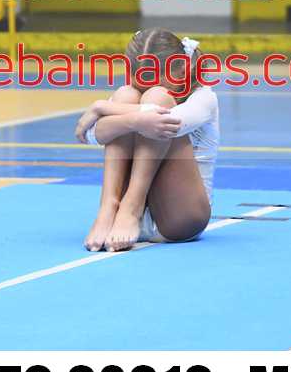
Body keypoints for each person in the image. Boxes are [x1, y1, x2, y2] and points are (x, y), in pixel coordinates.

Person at [75, 28, 219, 251]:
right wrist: (130, 119)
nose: (145, 88)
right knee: (125, 94)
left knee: (158, 99)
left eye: (155, 81)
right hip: (123, 221)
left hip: (180, 217)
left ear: (181, 69)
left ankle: (132, 206)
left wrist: (102, 107)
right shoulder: (129, 95)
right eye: (140, 81)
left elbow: (163, 121)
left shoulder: (204, 98)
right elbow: (91, 135)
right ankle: (108, 207)